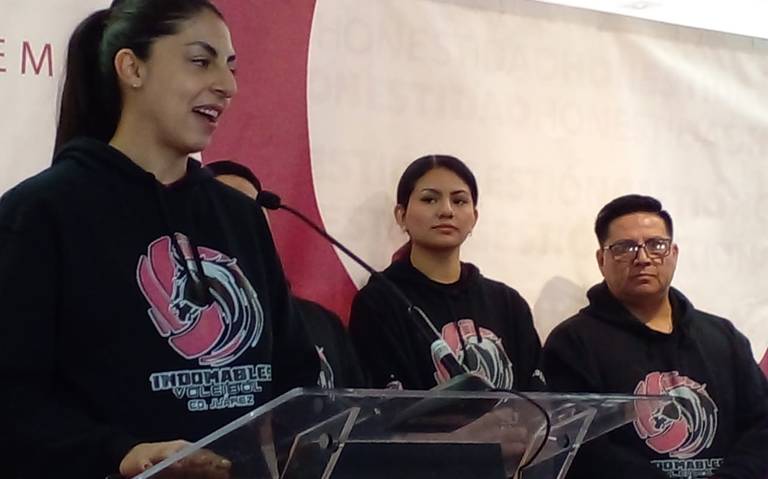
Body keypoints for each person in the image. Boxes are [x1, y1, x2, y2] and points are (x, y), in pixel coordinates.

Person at [0, 2, 318, 478]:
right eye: (200, 61)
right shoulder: (40, 213)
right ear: (132, 68)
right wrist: (121, 453)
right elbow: (13, 399)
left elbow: (296, 376)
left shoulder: (241, 217)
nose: (227, 86)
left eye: (230, 67)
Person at [542, 194, 768, 479]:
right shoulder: (572, 344)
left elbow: (761, 425)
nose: (643, 258)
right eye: (625, 248)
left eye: (656, 245)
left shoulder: (724, 337)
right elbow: (580, 448)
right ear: (601, 260)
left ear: (673, 253)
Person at [348, 154, 543, 391]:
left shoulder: (508, 304)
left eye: (459, 201)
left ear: (474, 218)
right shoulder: (380, 302)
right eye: (429, 199)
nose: (446, 211)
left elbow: (539, 400)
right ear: (401, 215)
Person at [207, 159, 365, 389]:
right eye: (227, 204)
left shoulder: (323, 322)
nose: (244, 215)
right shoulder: (195, 330)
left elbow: (360, 402)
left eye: (252, 205)